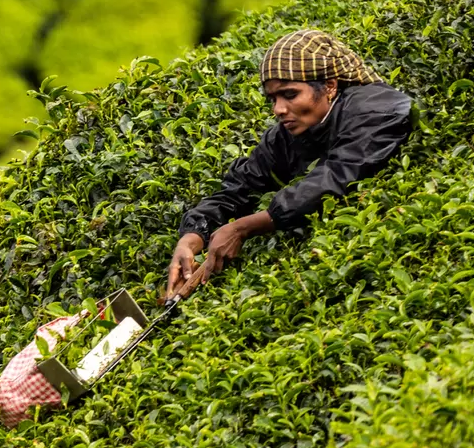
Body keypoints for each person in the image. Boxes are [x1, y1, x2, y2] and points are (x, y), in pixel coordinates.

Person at [167, 30, 413, 299]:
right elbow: (240, 186)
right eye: (273, 99)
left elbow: (337, 176)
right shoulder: (284, 137)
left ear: (330, 86)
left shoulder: (376, 108)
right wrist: (192, 235)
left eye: (290, 94)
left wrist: (242, 228)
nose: (279, 109)